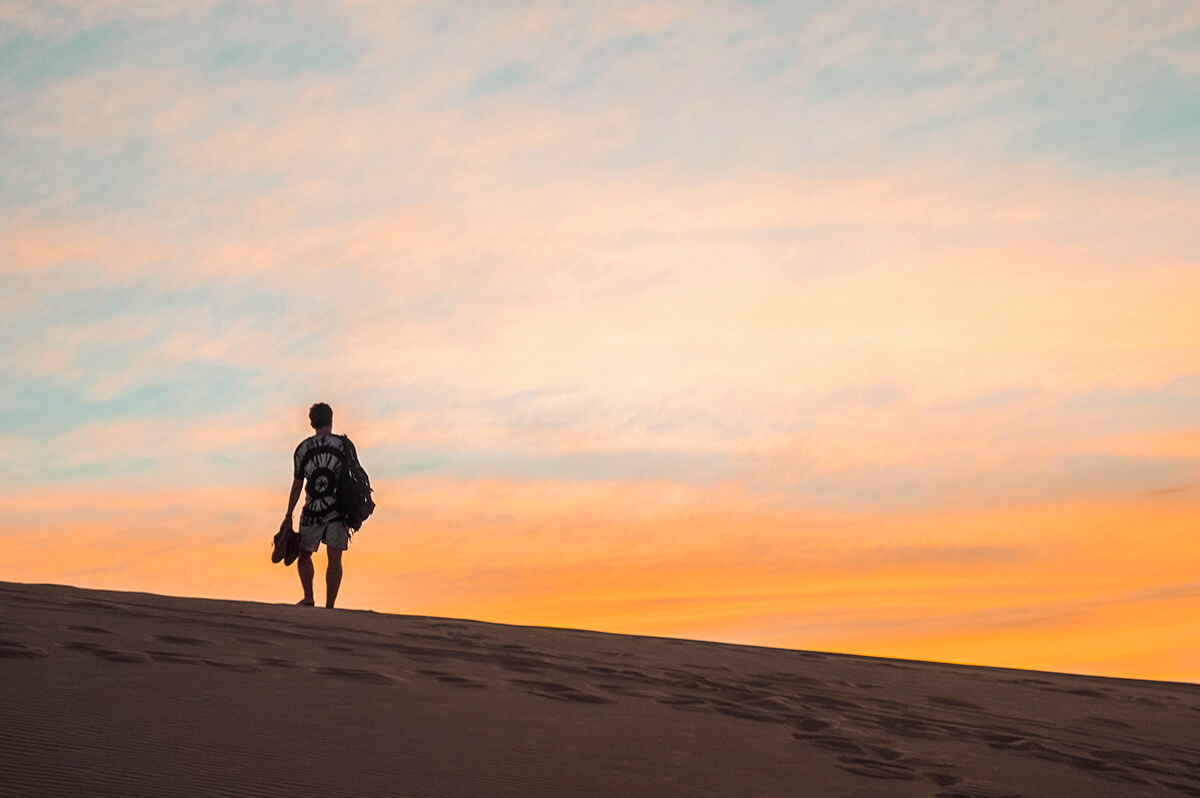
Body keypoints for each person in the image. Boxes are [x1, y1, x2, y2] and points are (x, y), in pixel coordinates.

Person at [283, 402, 354, 608]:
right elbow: (353, 478)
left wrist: (289, 514)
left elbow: (298, 484)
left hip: (312, 510)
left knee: (304, 553)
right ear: (331, 420)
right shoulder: (344, 446)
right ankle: (330, 605)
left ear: (312, 422)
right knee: (335, 557)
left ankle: (309, 597)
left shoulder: (302, 449)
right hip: (338, 511)